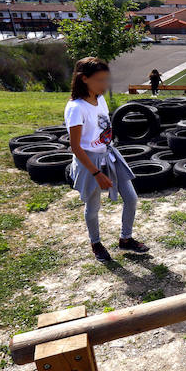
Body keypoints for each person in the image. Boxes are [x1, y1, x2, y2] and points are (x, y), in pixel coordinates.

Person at [65, 58, 148, 262]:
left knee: (131, 198)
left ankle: (125, 239)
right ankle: (96, 243)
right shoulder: (76, 108)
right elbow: (76, 147)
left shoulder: (100, 98)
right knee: (93, 207)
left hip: (108, 153)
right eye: (100, 80)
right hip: (89, 160)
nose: (105, 84)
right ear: (84, 79)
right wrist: (96, 173)